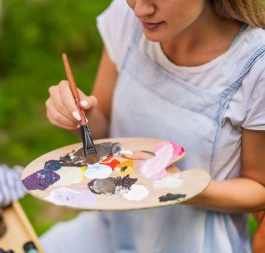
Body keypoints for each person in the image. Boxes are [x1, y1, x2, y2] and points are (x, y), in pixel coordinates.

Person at [42, 0, 265, 252]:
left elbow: (259, 188)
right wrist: (81, 116)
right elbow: (104, 132)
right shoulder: (127, 19)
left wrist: (177, 187)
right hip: (111, 226)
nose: (139, 10)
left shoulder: (257, 67)